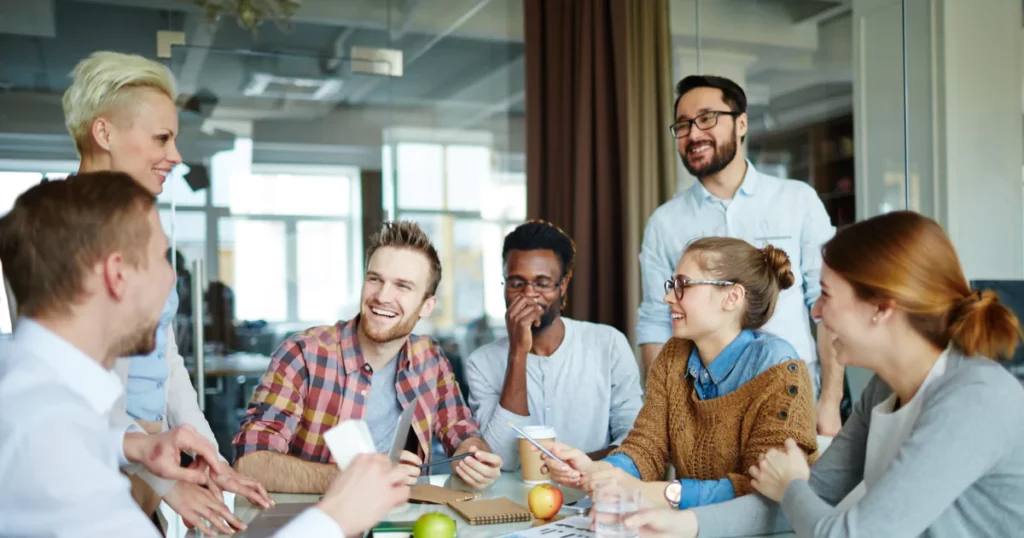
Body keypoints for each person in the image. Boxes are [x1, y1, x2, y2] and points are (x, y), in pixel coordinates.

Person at [0, 173, 409, 537]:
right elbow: (57, 451)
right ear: (117, 274)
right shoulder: (48, 437)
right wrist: (337, 517)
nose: (172, 282)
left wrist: (130, 446)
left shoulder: (32, 395)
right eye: (161, 258)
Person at [623, 211, 1024, 538]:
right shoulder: (883, 390)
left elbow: (850, 531)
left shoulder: (975, 398)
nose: (816, 313)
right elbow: (805, 501)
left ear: (880, 308)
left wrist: (792, 487)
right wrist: (685, 525)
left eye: (827, 295)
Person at [62, 50, 249, 529]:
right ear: (104, 133)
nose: (176, 156)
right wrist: (168, 482)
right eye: (161, 138)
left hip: (146, 494)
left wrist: (209, 458)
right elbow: (71, 392)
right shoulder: (52, 237)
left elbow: (164, 358)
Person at [542, 237, 817, 510]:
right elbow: (646, 446)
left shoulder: (780, 370)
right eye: (672, 285)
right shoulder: (675, 356)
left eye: (683, 285)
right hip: (687, 526)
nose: (669, 297)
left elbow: (762, 490)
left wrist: (662, 493)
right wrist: (599, 470)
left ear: (732, 297)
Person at [637, 75, 844, 435]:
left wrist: (830, 400)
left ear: (742, 123)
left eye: (706, 118)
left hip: (793, 395)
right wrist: (665, 414)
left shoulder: (797, 201)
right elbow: (657, 322)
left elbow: (828, 304)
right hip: (705, 406)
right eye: (683, 125)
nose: (693, 134)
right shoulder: (665, 222)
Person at [233, 221, 503, 493]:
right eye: (375, 279)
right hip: (323, 515)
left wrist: (473, 454)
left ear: (426, 306)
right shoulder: (303, 354)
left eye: (402, 286)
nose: (382, 296)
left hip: (407, 514)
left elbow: (461, 430)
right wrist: (355, 478)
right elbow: (250, 463)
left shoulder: (431, 360)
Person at [465, 221, 643, 469]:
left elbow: (635, 440)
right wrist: (518, 353)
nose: (529, 294)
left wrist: (573, 467)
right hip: (512, 494)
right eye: (516, 283)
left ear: (564, 284)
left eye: (542, 283)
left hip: (592, 488)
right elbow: (501, 458)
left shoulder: (608, 344)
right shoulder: (481, 363)